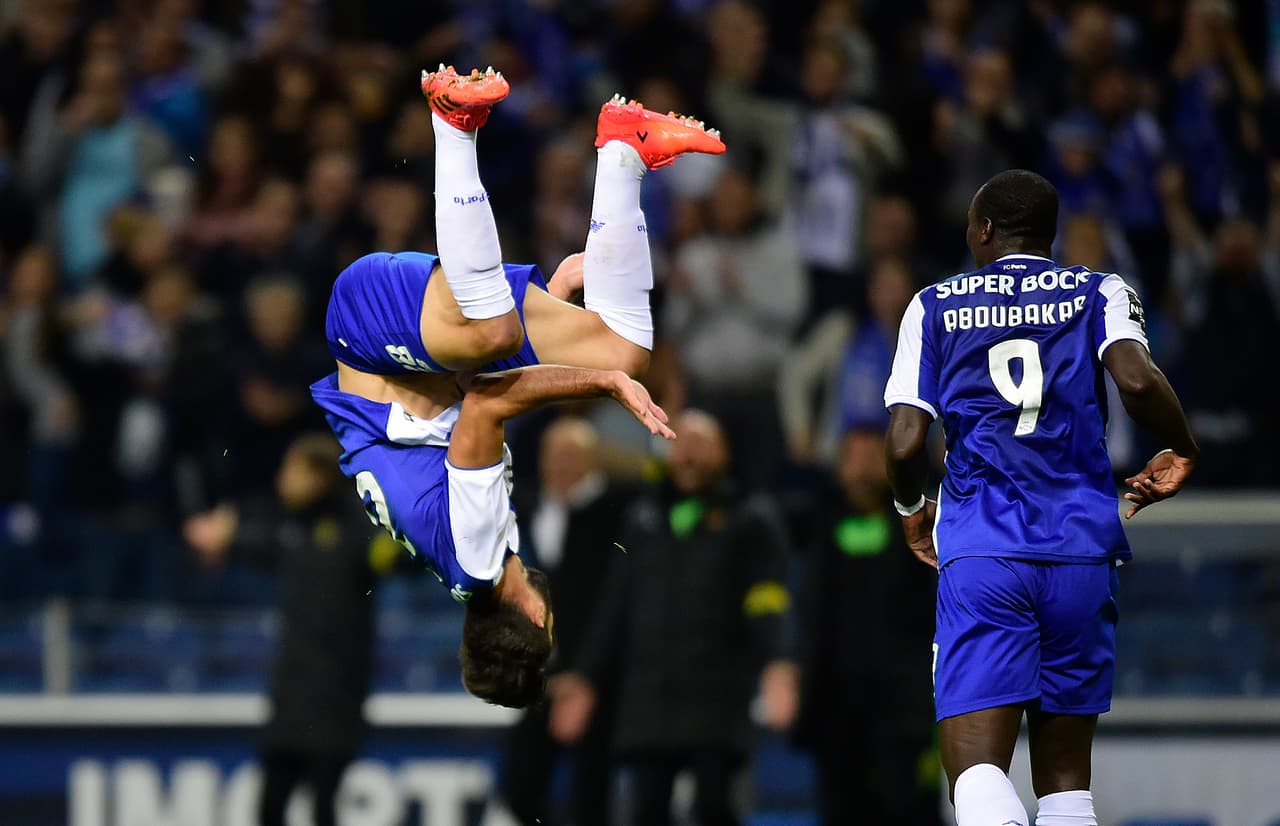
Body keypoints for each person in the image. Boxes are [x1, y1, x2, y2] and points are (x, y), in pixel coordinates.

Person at [311, 67, 720, 708]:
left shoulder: (474, 554)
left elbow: (485, 401)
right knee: (625, 347)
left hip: (365, 325)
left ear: (533, 620)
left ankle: (451, 122)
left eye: (549, 624)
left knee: (505, 333)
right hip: (425, 352)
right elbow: (476, 397)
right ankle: (623, 152)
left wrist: (599, 385)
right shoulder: (477, 562)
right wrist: (574, 331)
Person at [883, 169, 1198, 826]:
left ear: (986, 229)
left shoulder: (935, 304)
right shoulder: (1100, 289)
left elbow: (906, 439)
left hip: (985, 550)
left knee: (973, 769)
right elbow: (1138, 382)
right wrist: (1182, 446)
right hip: (1081, 552)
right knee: (1063, 781)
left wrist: (913, 514)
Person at [548, 410, 796, 826]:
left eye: (702, 445)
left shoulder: (750, 518)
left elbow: (767, 599)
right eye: (682, 446)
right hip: (650, 701)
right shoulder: (642, 521)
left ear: (724, 455)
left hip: (716, 698)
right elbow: (615, 606)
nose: (690, 457)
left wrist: (777, 663)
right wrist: (585, 677)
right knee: (646, 811)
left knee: (717, 808)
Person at [183, 433, 397, 826]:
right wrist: (224, 539)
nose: (282, 479)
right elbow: (258, 541)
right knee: (269, 809)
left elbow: (395, 554)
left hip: (336, 698)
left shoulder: (357, 528)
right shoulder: (291, 527)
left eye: (291, 469)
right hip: (291, 695)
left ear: (317, 476)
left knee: (323, 809)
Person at [791, 428, 939, 824]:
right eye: (851, 458)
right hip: (836, 710)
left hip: (905, 711)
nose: (861, 468)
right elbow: (808, 615)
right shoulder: (817, 525)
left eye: (871, 456)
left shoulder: (924, 529)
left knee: (908, 809)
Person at [499, 417, 634, 826]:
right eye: (552, 456)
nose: (559, 465)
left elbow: (615, 603)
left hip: (597, 679)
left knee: (590, 794)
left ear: (594, 462)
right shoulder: (528, 508)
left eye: (572, 456)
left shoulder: (618, 513)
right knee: (519, 787)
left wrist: (586, 676)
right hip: (546, 676)